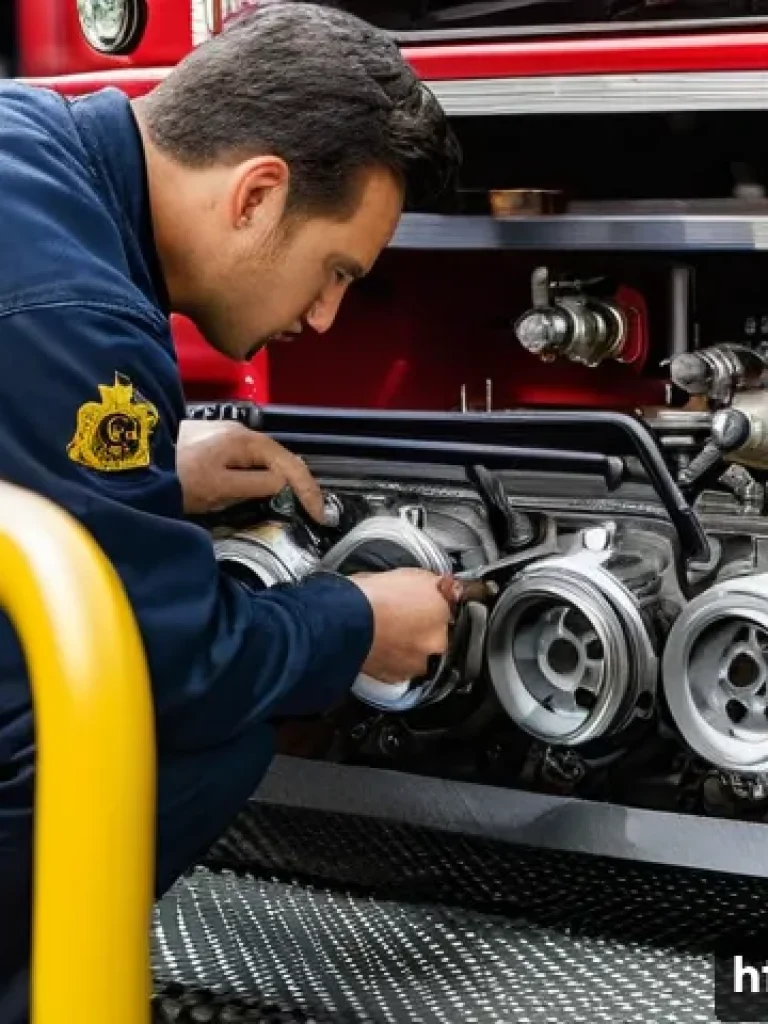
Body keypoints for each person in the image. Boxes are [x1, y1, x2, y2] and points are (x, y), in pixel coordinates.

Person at [0, 3, 462, 1020]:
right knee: (193, 734)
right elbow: (169, 670)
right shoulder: (83, 314)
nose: (326, 316)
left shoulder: (28, 140)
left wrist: (148, 469)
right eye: (337, 270)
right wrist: (358, 623)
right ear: (256, 194)